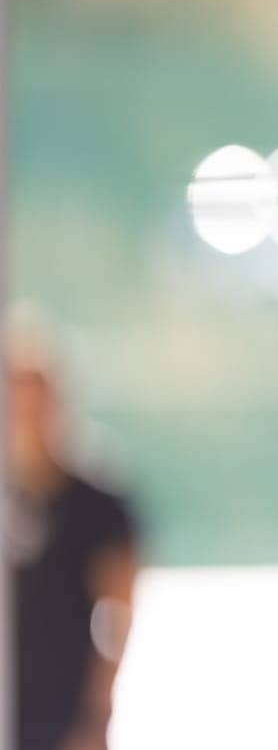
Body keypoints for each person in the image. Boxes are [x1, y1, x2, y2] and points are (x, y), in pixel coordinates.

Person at [5, 305, 139, 750]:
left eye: (34, 390)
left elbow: (119, 613)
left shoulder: (96, 500)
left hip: (65, 711)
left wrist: (97, 711)